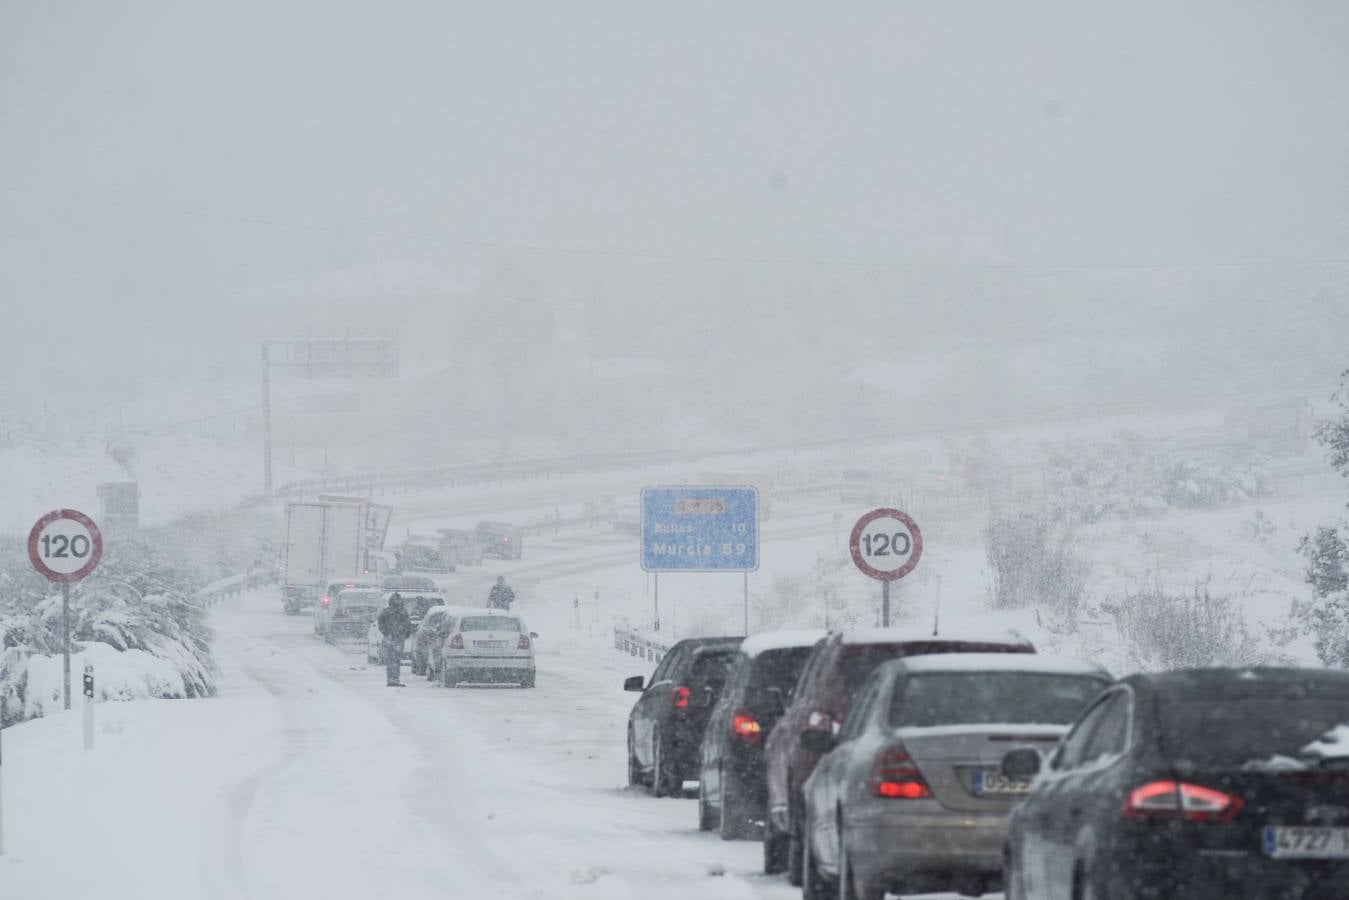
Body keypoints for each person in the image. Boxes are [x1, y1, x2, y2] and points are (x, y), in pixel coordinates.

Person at [377, 593, 414, 687]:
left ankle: (391, 679)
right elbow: (408, 625)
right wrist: (405, 634)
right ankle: (394, 679)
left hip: (391, 638)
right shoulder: (402, 612)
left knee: (391, 660)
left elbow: (380, 624)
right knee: (396, 660)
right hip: (398, 639)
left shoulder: (387, 612)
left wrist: (386, 633)